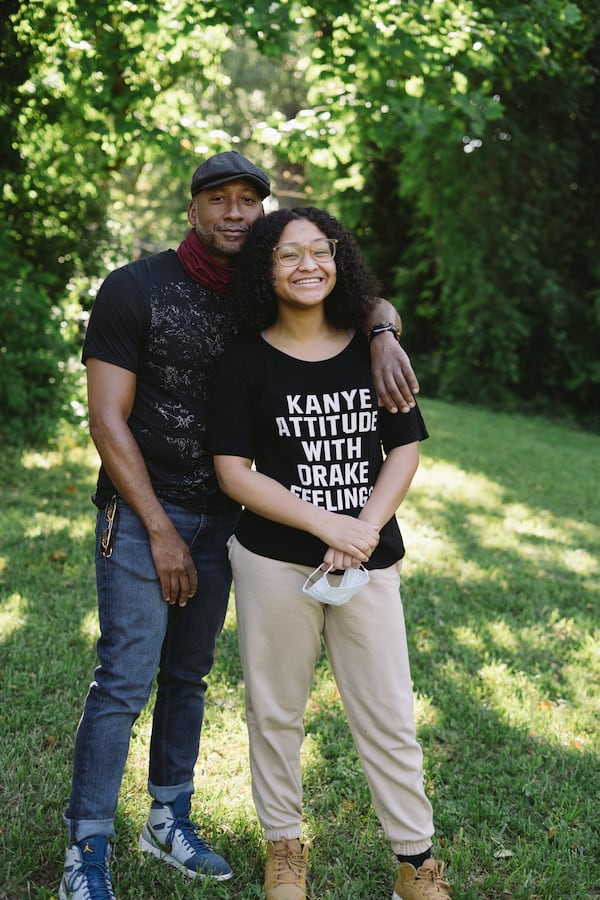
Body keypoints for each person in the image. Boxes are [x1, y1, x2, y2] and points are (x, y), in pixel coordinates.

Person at [58, 152, 421, 900]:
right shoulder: (136, 288)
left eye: (247, 201)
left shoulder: (262, 289)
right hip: (143, 513)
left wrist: (383, 329)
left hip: (231, 519)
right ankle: (86, 847)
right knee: (125, 676)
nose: (233, 212)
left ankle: (168, 819)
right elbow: (105, 417)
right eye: (217, 199)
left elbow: (346, 294)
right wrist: (158, 528)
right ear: (192, 208)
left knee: (188, 675)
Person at [210, 206, 452, 900]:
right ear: (265, 268)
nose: (307, 265)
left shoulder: (373, 348)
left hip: (368, 563)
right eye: (288, 255)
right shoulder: (241, 361)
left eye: (321, 251)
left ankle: (416, 864)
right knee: (275, 710)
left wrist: (364, 530)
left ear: (339, 260)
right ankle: (284, 849)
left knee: (388, 713)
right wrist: (327, 525)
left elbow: (403, 447)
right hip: (273, 562)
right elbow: (235, 471)